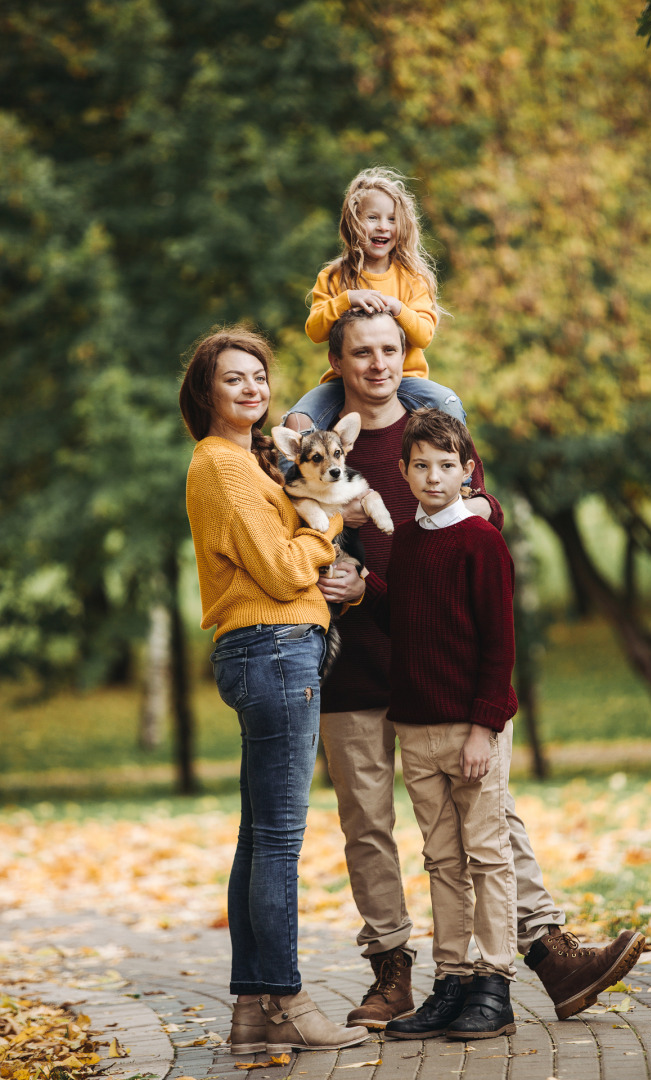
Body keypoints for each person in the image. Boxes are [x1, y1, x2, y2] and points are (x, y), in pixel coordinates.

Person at [286, 308, 645, 1028]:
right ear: (339, 363)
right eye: (361, 352)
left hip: (442, 669)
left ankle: (543, 953)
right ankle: (396, 973)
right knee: (372, 826)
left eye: (390, 349)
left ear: (405, 355)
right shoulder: (316, 446)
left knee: (488, 816)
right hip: (358, 663)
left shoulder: (430, 435)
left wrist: (470, 507)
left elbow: (486, 517)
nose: (377, 364)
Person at [179, 324, 369, 1055]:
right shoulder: (224, 467)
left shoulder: (248, 463)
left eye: (259, 375)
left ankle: (253, 1012)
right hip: (273, 648)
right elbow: (283, 568)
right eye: (234, 378)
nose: (253, 388)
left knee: (259, 837)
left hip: (269, 649)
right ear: (206, 391)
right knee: (279, 841)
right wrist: (331, 529)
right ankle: (287, 998)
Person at [364, 408, 519, 1040]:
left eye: (446, 466)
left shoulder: (481, 542)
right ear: (402, 471)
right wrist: (361, 588)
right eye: (420, 466)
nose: (433, 477)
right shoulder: (406, 539)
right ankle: (452, 980)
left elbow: (499, 644)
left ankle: (494, 983)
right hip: (416, 727)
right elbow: (402, 615)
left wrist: (484, 727)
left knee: (486, 853)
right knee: (441, 859)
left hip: (468, 729)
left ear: (468, 472)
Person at [288, 166, 465, 431]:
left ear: (402, 226)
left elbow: (423, 336)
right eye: (372, 217)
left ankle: (462, 473)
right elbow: (314, 331)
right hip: (343, 381)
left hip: (406, 379)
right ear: (353, 223)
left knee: (448, 403)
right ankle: (286, 473)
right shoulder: (334, 277)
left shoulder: (412, 278)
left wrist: (398, 309)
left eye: (392, 219)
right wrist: (345, 300)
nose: (383, 226)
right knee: (299, 418)